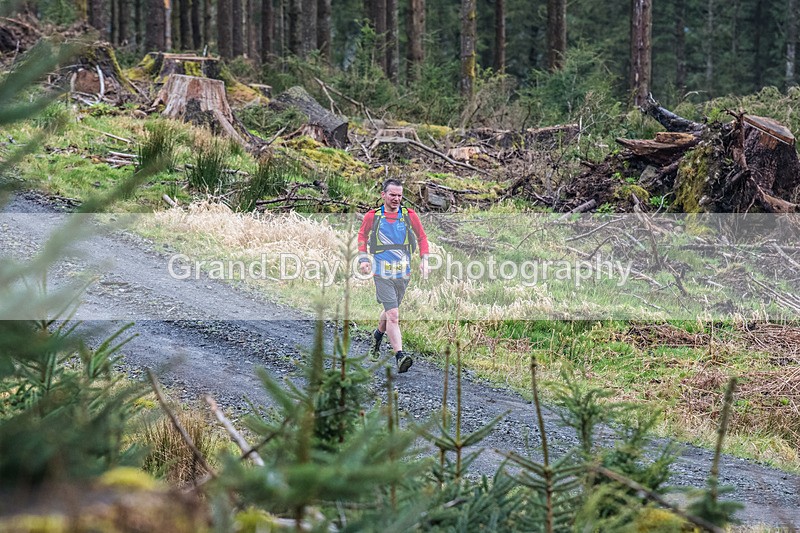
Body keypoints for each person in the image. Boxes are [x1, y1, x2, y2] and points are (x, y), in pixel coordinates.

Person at [358, 179, 429, 373]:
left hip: (403, 273)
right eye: (392, 195)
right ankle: (400, 356)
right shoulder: (373, 216)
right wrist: (363, 260)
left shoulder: (409, 215)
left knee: (391, 311)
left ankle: (377, 336)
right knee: (394, 315)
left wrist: (425, 260)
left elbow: (422, 237)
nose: (396, 199)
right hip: (381, 271)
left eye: (399, 195)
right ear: (383, 195)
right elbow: (362, 237)